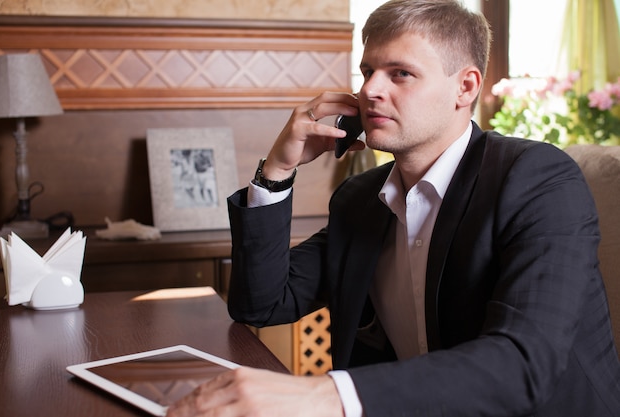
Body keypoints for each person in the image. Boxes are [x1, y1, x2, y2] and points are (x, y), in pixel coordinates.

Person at [167, 0, 620, 416]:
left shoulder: (538, 179)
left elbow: (525, 363)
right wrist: (278, 170)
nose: (369, 91)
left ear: (465, 87)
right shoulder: (360, 199)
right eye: (366, 71)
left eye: (399, 73)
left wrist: (325, 394)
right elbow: (262, 304)